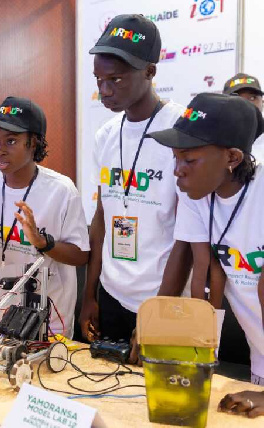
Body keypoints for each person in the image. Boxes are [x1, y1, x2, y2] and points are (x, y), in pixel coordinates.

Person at [147, 92, 264, 418]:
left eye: (189, 160)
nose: (177, 171)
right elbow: (202, 274)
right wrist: (189, 356)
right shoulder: (197, 196)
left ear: (232, 157)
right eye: (175, 159)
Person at [79, 14, 191, 344]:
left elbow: (188, 234)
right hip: (112, 295)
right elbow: (102, 216)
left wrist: (158, 315)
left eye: (115, 80)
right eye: (98, 79)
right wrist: (90, 294)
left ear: (150, 72)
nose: (104, 90)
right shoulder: (106, 135)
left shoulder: (182, 131)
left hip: (164, 299)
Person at [0, 96, 89, 339]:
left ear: (34, 143)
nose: (0, 149)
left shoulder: (61, 190)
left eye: (11, 141)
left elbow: (81, 255)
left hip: (49, 320)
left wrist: (43, 243)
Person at [223, 73, 264, 161]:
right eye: (237, 99)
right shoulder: (215, 141)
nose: (247, 104)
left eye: (252, 98)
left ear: (262, 103)